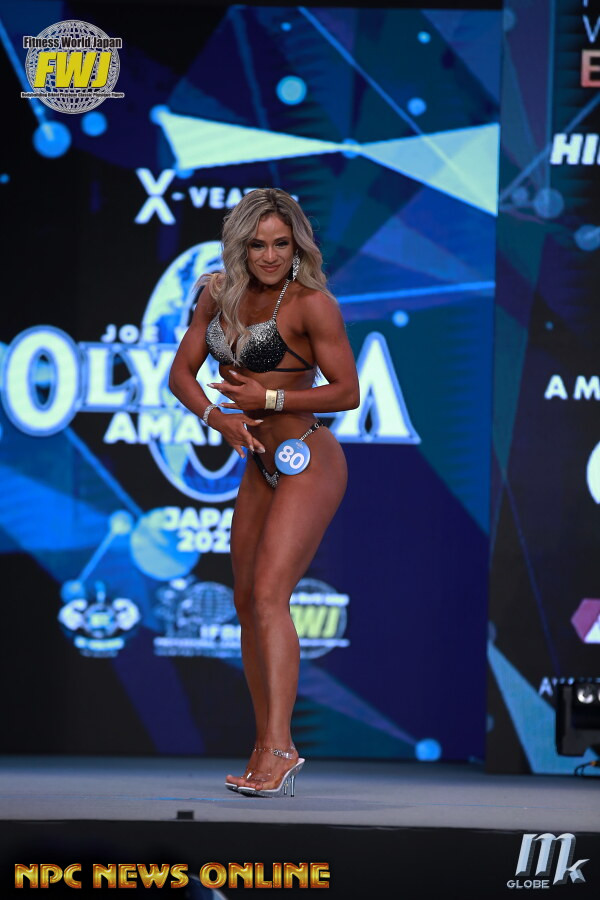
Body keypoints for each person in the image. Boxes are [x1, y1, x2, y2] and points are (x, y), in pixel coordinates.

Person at [168, 188, 359, 797]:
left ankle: (281, 748)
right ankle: (262, 745)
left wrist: (270, 397)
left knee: (272, 594)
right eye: (258, 245)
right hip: (258, 462)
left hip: (308, 457)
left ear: (297, 244)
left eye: (281, 244)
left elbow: (347, 390)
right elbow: (180, 374)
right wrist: (216, 418)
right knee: (247, 601)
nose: (270, 256)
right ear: (240, 245)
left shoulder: (312, 304)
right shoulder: (217, 293)